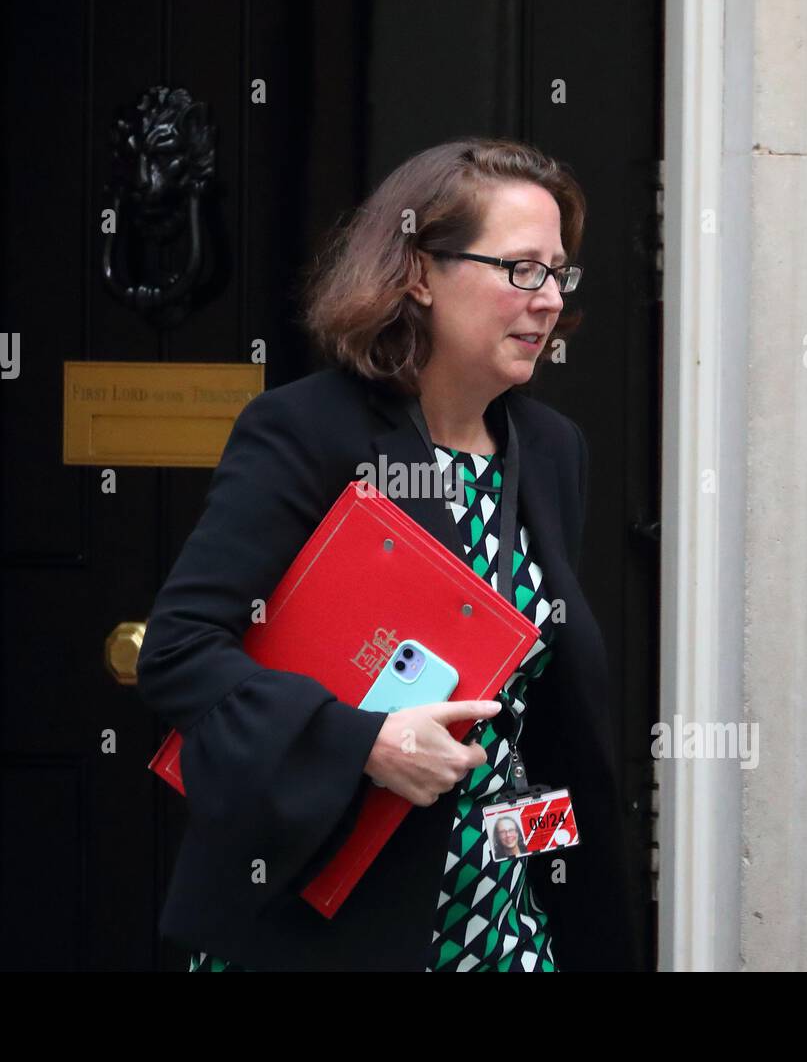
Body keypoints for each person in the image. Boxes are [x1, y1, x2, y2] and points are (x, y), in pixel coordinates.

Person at [135, 137, 634, 972]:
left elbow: (532, 722)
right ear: (418, 274)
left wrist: (552, 877)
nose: (547, 300)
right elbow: (180, 654)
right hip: (328, 928)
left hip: (502, 925)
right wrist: (363, 739)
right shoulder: (304, 431)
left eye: (557, 272)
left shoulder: (553, 449)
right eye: (520, 269)